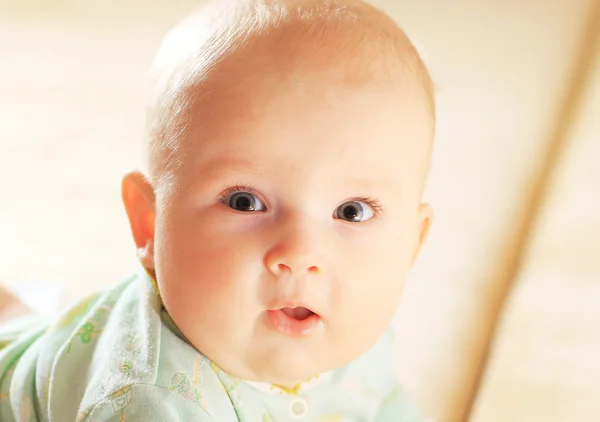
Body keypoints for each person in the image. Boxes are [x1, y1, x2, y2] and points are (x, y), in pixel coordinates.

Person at [0, 0, 436, 420]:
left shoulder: (353, 326)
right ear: (149, 224)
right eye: (245, 202)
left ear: (411, 246)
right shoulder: (151, 402)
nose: (302, 254)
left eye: (352, 211)